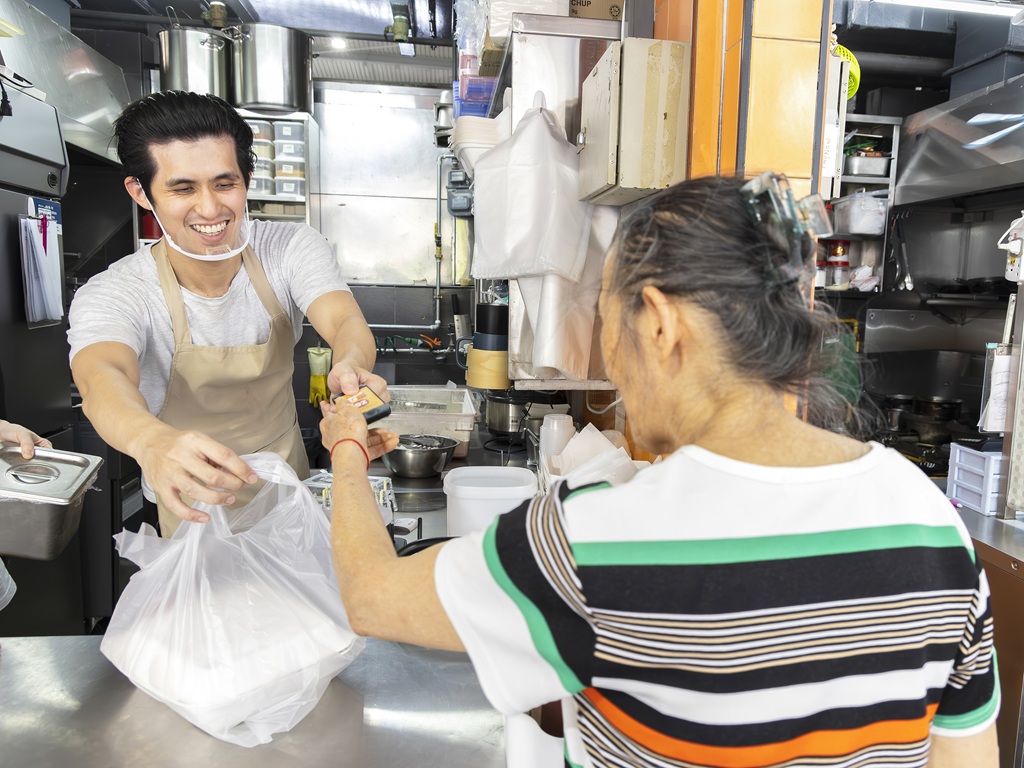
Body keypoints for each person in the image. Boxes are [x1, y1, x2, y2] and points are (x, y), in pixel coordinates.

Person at [319, 174, 999, 767]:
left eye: (605, 318)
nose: (608, 358)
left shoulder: (596, 539)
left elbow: (372, 597)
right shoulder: (932, 523)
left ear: (661, 324)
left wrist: (347, 446)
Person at [68, 90, 386, 537]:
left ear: (247, 178)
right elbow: (101, 378)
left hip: (286, 488)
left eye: (224, 184)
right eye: (183, 188)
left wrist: (350, 363)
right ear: (141, 192)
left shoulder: (288, 248)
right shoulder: (118, 291)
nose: (210, 209)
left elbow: (344, 320)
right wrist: (151, 442)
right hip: (190, 503)